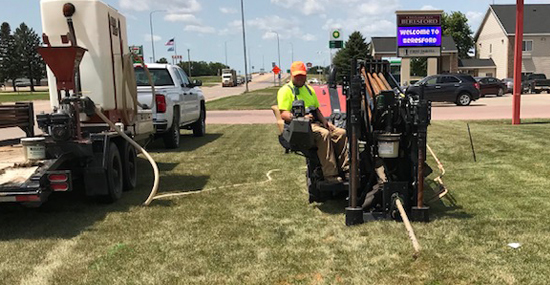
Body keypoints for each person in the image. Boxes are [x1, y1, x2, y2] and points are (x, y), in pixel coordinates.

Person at [277, 61, 349, 183]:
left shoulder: (309, 90)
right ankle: (330, 174)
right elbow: (284, 114)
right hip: (300, 127)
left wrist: (326, 123)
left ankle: (346, 169)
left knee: (341, 133)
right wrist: (301, 118)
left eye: (302, 76)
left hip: (315, 123)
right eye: (297, 76)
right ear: (292, 76)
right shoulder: (285, 91)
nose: (300, 78)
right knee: (324, 135)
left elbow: (317, 110)